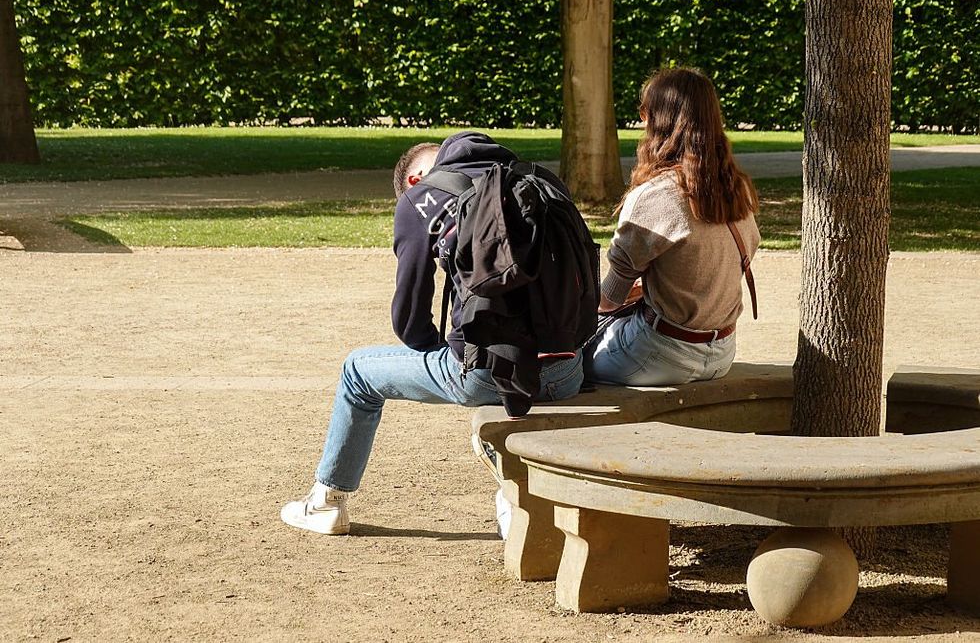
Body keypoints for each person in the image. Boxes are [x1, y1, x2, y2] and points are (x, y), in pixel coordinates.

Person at [280, 131, 584, 535]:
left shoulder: (420, 199)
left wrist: (443, 350)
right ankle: (511, 486)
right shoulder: (535, 178)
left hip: (486, 374)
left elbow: (409, 319)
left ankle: (326, 503)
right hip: (567, 369)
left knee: (357, 373)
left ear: (413, 180)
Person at [586, 67, 761, 386]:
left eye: (644, 112)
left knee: (565, 362)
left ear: (658, 120)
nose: (642, 120)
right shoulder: (738, 191)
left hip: (659, 354)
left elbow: (609, 300)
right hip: (721, 353)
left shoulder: (654, 196)